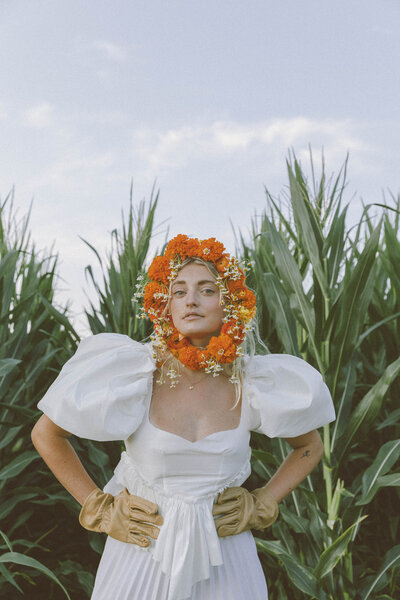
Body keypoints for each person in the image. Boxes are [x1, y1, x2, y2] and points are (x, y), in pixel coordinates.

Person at [31, 234, 335, 600]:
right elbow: (46, 434)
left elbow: (309, 445)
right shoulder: (134, 372)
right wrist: (100, 507)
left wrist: (263, 502)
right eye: (179, 291)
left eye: (206, 290)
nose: (190, 300)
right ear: (165, 305)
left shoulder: (252, 381)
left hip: (229, 562)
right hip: (140, 556)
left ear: (231, 303)